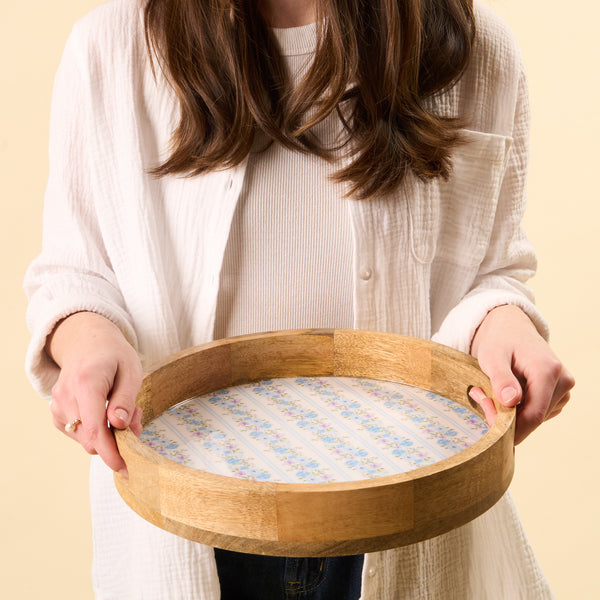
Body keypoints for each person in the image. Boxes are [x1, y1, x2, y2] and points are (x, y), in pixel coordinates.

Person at [25, 0, 574, 598]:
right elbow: (75, 271)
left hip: (407, 526)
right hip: (186, 535)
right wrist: (87, 338)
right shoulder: (110, 49)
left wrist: (503, 323)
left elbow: (492, 270)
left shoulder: (474, 48)